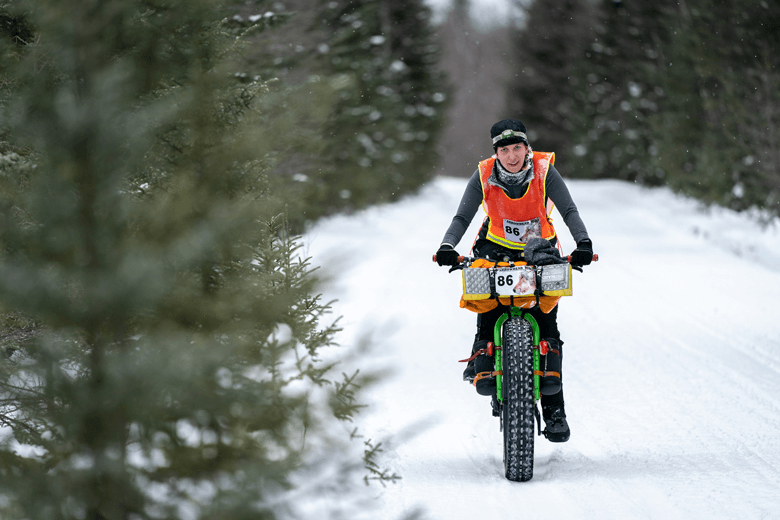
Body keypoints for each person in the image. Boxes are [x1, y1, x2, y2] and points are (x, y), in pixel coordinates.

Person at [435, 119, 594, 443]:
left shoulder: (544, 171)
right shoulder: (484, 175)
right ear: (496, 152)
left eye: (516, 148)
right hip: (495, 248)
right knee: (486, 301)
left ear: (526, 147)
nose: (511, 156)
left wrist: (584, 243)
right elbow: (462, 217)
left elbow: (569, 210)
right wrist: (447, 245)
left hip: (541, 251)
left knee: (546, 322)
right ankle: (483, 353)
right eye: (504, 150)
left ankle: (555, 411)